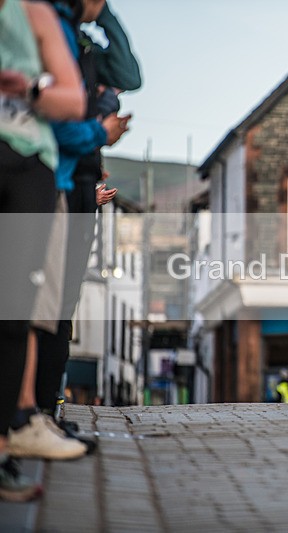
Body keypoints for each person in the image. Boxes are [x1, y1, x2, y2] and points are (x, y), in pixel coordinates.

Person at [0, 0, 86, 501]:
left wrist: (30, 88)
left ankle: (4, 455)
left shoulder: (34, 13)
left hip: (29, 162)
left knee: (13, 316)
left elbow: (73, 101)